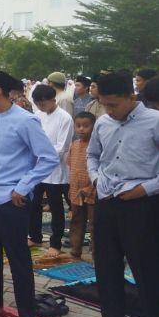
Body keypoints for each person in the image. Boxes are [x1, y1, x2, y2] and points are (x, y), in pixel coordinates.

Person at [0, 67, 59, 317]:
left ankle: (27, 315)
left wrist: (23, 187)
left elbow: (48, 158)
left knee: (18, 257)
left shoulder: (25, 121)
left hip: (11, 199)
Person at [81, 73, 159, 317]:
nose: (109, 111)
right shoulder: (102, 122)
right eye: (104, 104)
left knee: (148, 276)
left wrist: (145, 189)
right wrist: (95, 177)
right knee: (106, 270)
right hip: (107, 203)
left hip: (142, 207)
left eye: (113, 105)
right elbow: (93, 156)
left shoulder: (155, 121)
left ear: (131, 97)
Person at [28, 84, 74, 257]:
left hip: (55, 169)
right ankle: (35, 236)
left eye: (44, 103)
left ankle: (56, 243)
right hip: (37, 167)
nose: (41, 107)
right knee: (34, 204)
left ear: (53, 100)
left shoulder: (65, 118)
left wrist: (41, 152)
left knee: (55, 208)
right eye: (38, 104)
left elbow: (62, 146)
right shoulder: (37, 115)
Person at [67, 111, 96, 259]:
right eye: (78, 126)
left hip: (93, 192)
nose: (81, 129)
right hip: (76, 191)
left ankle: (97, 254)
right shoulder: (74, 145)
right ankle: (75, 250)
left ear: (94, 127)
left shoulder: (97, 145)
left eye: (86, 126)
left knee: (95, 224)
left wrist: (90, 187)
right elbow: (71, 165)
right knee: (76, 220)